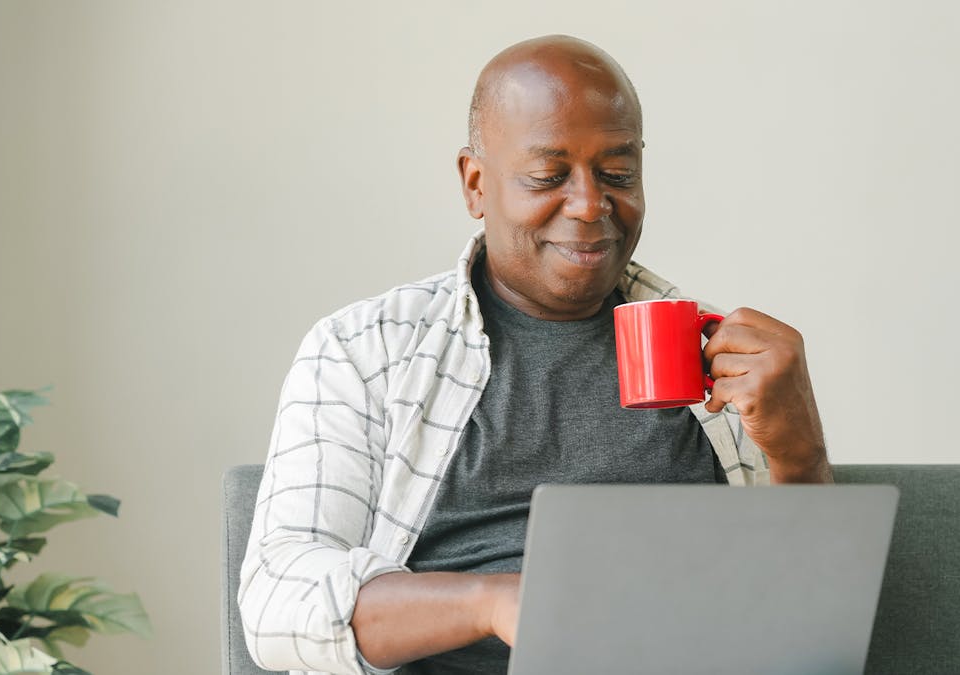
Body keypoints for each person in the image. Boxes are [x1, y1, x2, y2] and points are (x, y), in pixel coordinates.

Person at [238, 34, 833, 675]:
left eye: (618, 175)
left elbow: (813, 622)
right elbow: (277, 604)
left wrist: (801, 453)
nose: (589, 204)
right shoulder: (364, 352)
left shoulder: (718, 357)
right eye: (548, 176)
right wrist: (495, 602)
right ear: (475, 184)